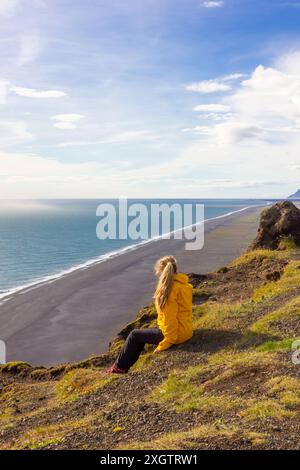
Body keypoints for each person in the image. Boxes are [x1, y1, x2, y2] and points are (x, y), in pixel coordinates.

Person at [107, 255, 193, 374]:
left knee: (134, 335)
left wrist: (165, 343)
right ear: (175, 269)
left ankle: (118, 368)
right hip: (186, 330)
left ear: (161, 272)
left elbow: (170, 319)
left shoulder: (168, 291)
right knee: (140, 336)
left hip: (176, 334)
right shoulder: (185, 285)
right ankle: (123, 367)